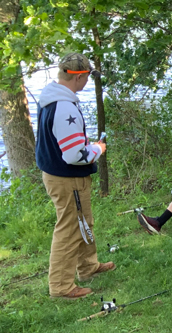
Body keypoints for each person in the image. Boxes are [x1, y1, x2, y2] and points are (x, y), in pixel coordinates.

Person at [35, 52, 114, 300]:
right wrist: (98, 149)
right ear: (78, 77)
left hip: (61, 174)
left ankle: (88, 267)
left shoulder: (54, 96)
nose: (88, 81)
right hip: (67, 177)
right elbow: (73, 155)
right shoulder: (64, 107)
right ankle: (61, 286)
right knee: (69, 229)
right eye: (87, 76)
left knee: (84, 222)